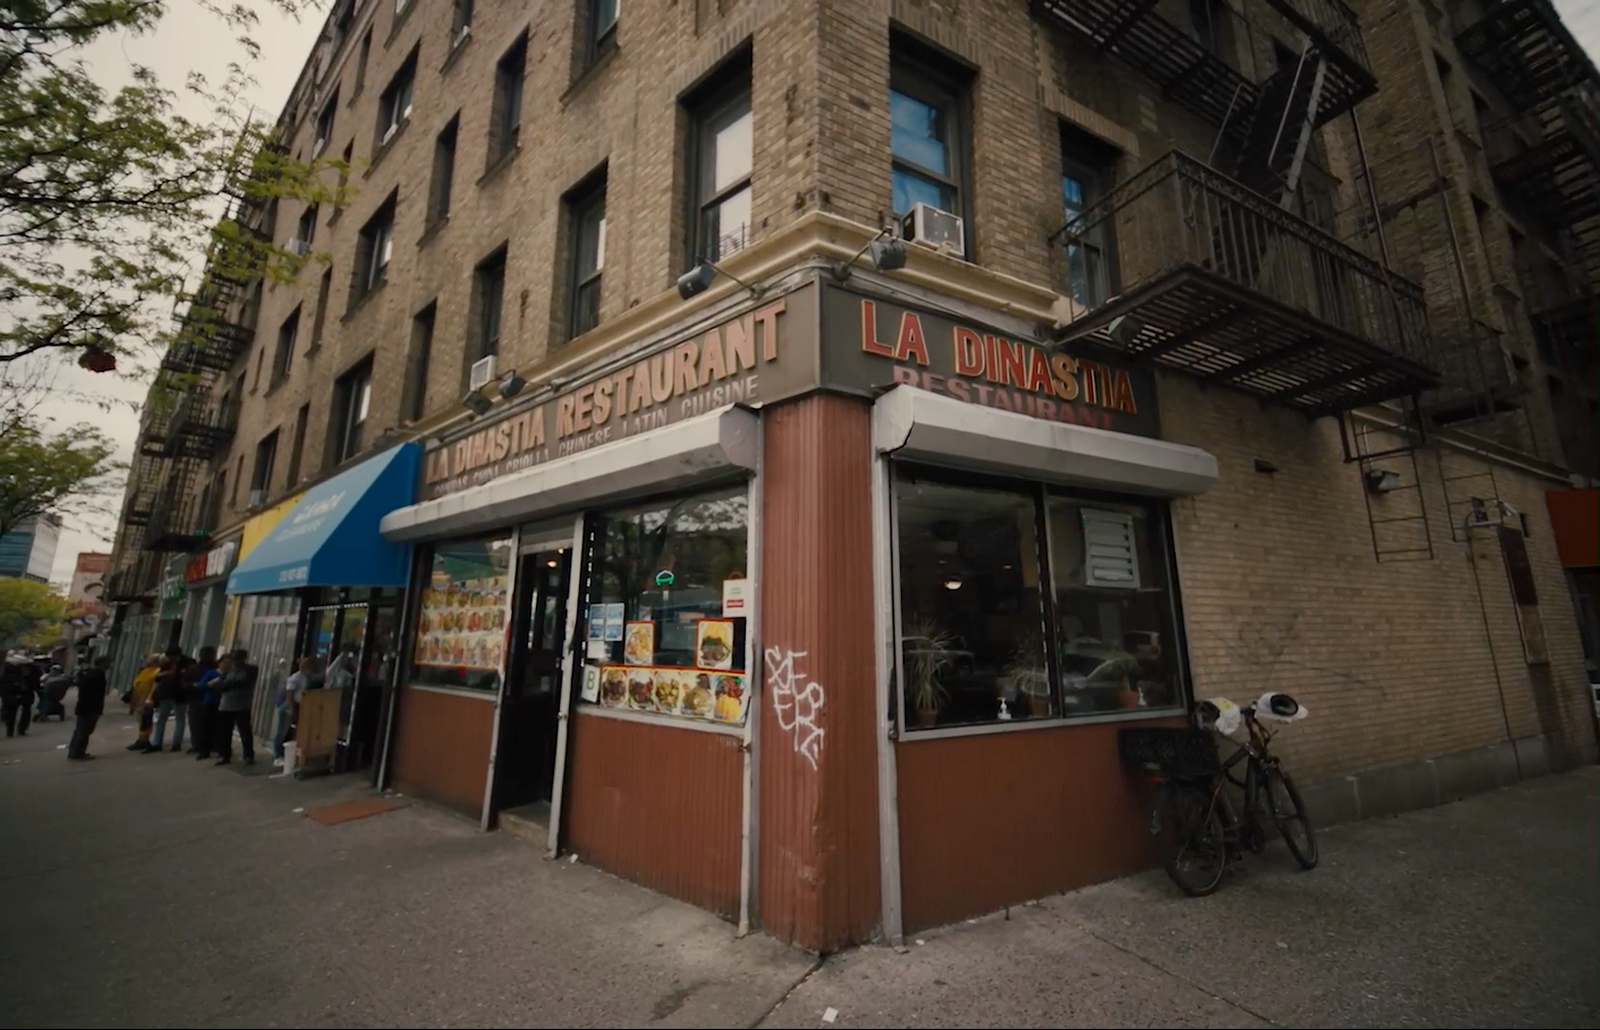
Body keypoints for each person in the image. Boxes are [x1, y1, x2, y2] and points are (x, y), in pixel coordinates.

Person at [214, 648, 258, 766]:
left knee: (245, 731)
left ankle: (248, 755)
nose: (236, 661)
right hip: (226, 705)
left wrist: (229, 684)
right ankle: (225, 754)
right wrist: (229, 684)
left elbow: (245, 683)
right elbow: (221, 686)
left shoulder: (250, 670)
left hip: (242, 705)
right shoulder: (228, 671)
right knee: (225, 732)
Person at [147, 647, 193, 754]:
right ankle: (158, 742)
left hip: (179, 695)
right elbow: (157, 677)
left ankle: (176, 743)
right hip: (166, 694)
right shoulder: (167, 664)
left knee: (179, 719)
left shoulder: (186, 663)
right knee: (161, 719)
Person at [67, 656, 109, 760]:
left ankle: (75, 752)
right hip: (90, 708)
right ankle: (78, 753)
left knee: (81, 730)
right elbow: (96, 693)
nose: (109, 665)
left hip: (85, 707)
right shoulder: (97, 675)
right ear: (102, 663)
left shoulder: (89, 674)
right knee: (84, 731)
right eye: (107, 663)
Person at [273, 657, 313, 768]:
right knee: (282, 731)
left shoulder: (305, 677)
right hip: (289, 706)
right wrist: (291, 709)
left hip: (298, 705)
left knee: (289, 731)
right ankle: (277, 756)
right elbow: (289, 694)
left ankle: (286, 754)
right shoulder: (295, 678)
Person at [188, 647, 220, 757]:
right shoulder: (213, 668)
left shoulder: (197, 668)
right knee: (204, 723)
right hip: (204, 697)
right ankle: (205, 744)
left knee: (200, 723)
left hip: (203, 698)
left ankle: (200, 744)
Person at [1, 651, 35, 737]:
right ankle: (15, 729)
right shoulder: (9, 670)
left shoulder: (29, 669)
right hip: (13, 693)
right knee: (13, 712)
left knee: (19, 711)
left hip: (22, 693)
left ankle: (17, 729)